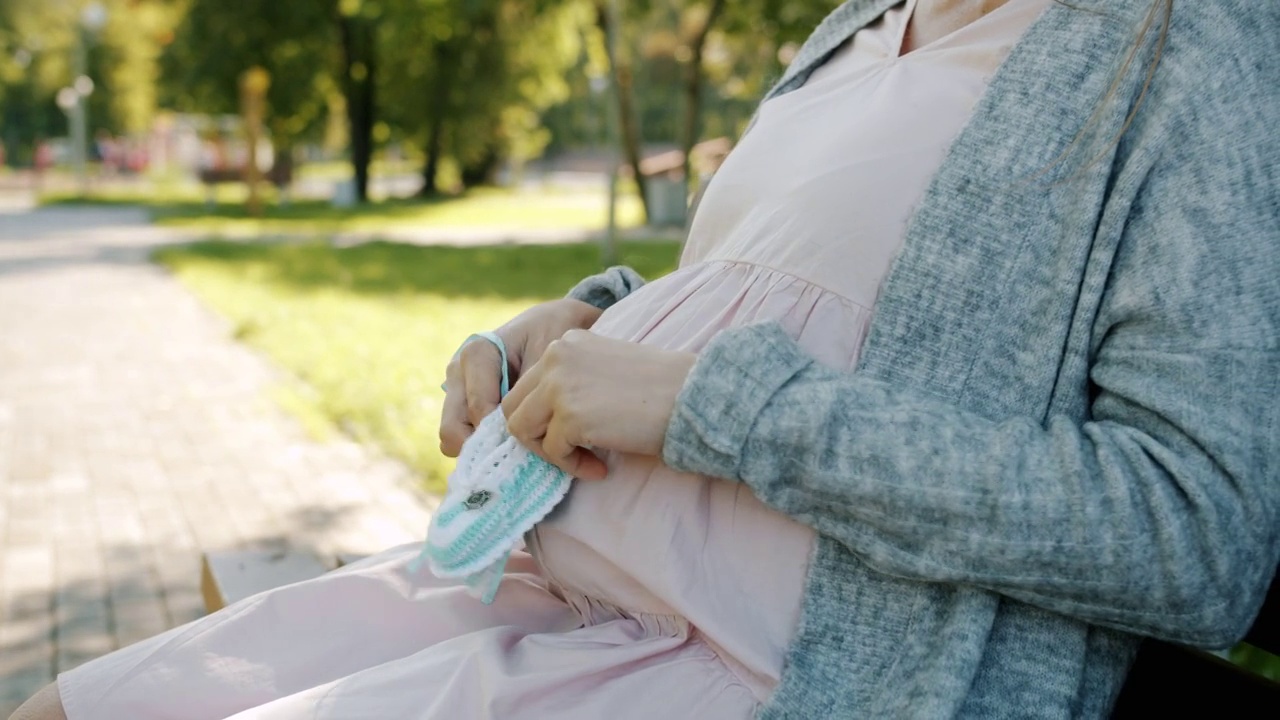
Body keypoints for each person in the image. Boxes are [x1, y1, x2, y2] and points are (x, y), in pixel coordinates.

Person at [14, 1, 1278, 718]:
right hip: (538, 578)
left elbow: (1193, 532)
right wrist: (580, 322)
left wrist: (704, 404)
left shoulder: (1183, 46)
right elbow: (764, 292)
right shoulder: (858, 20)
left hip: (761, 671)